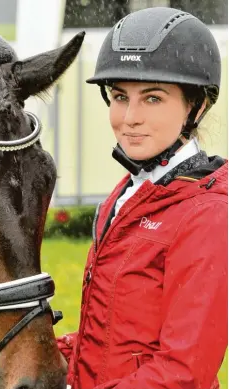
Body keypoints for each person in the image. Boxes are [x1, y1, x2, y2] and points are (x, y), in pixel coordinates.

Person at [57, 6, 227, 389]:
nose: (129, 117)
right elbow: (114, 336)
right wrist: (47, 353)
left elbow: (183, 372)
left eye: (152, 98)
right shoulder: (129, 191)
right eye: (119, 97)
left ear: (195, 106)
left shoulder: (209, 215)